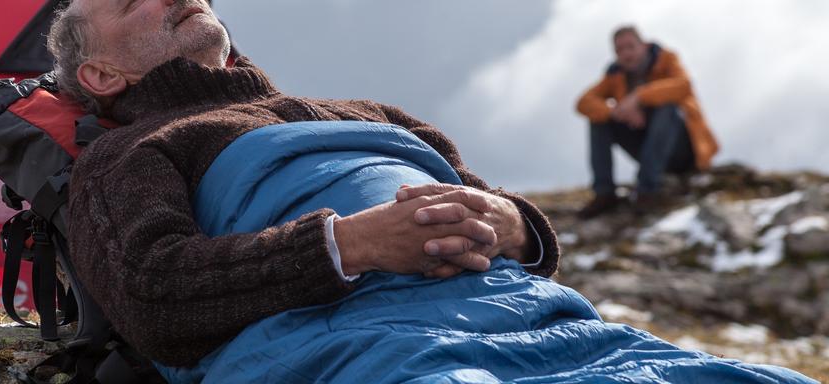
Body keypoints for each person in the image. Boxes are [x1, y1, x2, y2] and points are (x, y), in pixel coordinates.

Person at [48, 0, 558, 368]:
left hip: (536, 321)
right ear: (102, 76)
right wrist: (354, 245)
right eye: (134, 1)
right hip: (365, 353)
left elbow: (500, 212)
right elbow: (150, 296)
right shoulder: (126, 154)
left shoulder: (372, 114)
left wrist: (512, 223)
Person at [575, 25, 719, 218]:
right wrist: (617, 111)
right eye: (619, 50)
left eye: (630, 47)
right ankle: (604, 193)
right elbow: (583, 103)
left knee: (667, 109)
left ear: (643, 45)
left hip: (684, 151)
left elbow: (683, 86)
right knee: (599, 119)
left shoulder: (667, 59)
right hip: (647, 148)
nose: (626, 54)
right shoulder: (614, 74)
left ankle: (647, 191)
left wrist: (638, 98)